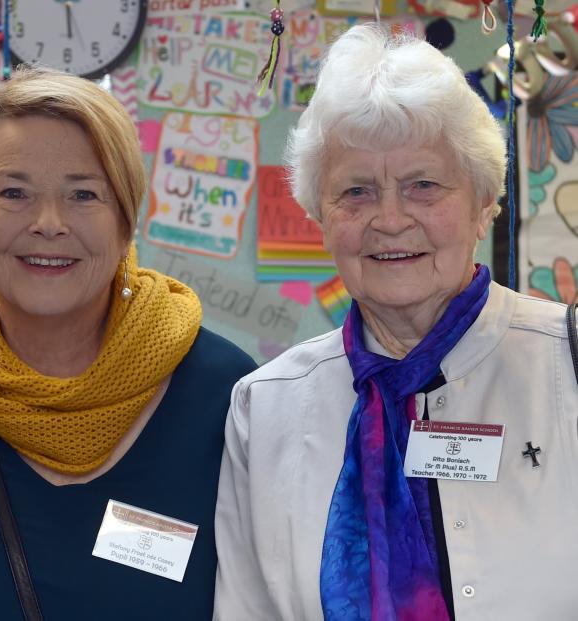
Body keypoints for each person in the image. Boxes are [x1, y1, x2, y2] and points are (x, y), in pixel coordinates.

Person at [0, 67, 256, 620]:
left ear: (125, 219)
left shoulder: (224, 394)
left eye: (83, 194)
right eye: (13, 192)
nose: (48, 223)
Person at [214, 24, 578, 620]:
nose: (388, 219)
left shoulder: (567, 363)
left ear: (484, 201)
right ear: (320, 215)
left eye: (423, 186)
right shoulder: (265, 408)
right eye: (355, 192)